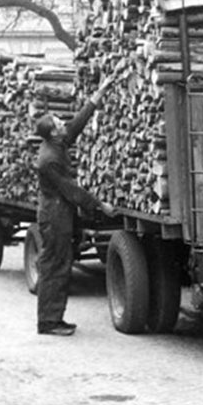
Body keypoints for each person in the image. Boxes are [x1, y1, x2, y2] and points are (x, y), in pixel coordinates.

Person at [34, 69, 121, 336]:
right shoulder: (49, 159)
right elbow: (71, 190)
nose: (64, 123)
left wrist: (101, 90)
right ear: (53, 133)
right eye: (59, 123)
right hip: (54, 216)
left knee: (59, 265)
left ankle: (53, 319)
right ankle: (49, 321)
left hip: (60, 213)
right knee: (55, 267)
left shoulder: (57, 143)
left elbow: (79, 122)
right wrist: (100, 205)